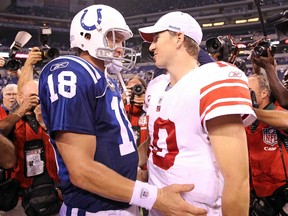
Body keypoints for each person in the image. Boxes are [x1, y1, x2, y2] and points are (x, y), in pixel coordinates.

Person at [39, 4, 206, 216]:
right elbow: (81, 171)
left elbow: (113, 150)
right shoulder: (71, 72)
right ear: (88, 36)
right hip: (95, 209)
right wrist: (155, 197)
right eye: (114, 38)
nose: (120, 47)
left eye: (122, 40)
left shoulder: (103, 80)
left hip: (121, 201)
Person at [138, 11, 256, 215]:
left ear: (179, 37)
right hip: (159, 208)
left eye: (157, 38)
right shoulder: (156, 86)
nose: (151, 46)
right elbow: (160, 141)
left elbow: (237, 179)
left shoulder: (212, 80)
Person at [246, 74, 288, 215]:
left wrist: (251, 111)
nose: (245, 94)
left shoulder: (276, 111)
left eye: (249, 90)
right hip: (257, 193)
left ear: (264, 93)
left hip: (282, 191)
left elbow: (286, 120)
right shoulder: (244, 120)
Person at [122, 75, 148, 147]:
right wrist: (120, 102)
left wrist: (149, 104)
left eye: (138, 88)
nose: (135, 91)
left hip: (145, 154)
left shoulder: (151, 109)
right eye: (131, 89)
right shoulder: (122, 110)